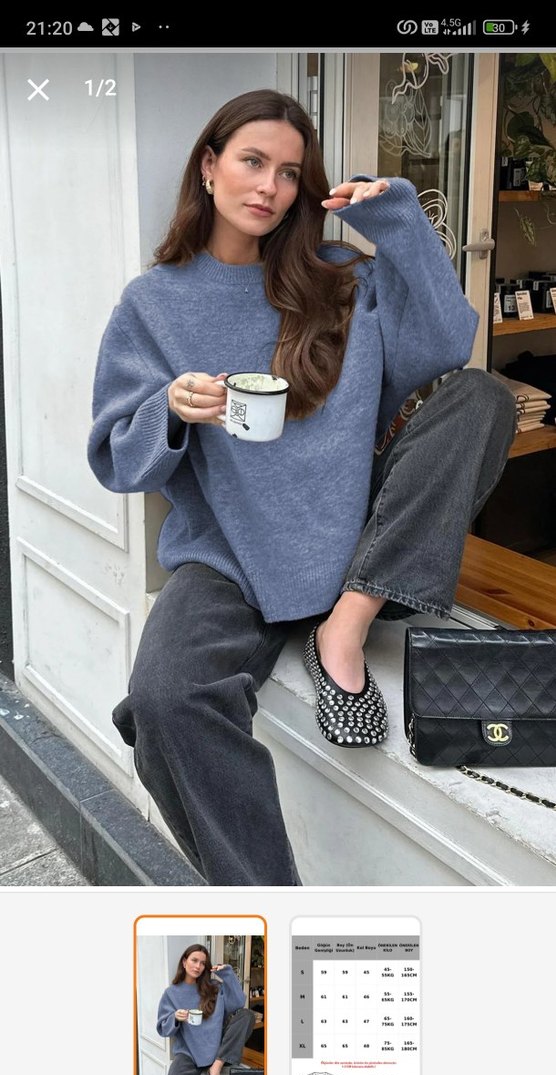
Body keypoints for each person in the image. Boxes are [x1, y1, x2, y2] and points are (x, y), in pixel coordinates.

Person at [88, 88, 516, 887]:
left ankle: (341, 630)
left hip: (363, 545)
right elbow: (116, 456)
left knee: (483, 397)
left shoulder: (342, 276)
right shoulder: (153, 303)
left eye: (289, 172)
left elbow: (444, 346)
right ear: (209, 166)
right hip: (232, 556)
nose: (270, 187)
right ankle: (275, 918)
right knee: (163, 700)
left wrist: (399, 224)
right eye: (253, 161)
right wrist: (169, 408)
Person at [156, 944, 256, 1075]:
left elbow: (238, 1004)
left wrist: (228, 975)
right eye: (194, 960)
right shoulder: (171, 993)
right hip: (189, 1052)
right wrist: (174, 1018)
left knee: (247, 1015)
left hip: (220, 1049)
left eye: (202, 963)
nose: (198, 966)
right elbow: (162, 1028)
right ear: (184, 962)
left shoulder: (215, 987)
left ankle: (215, 1069)